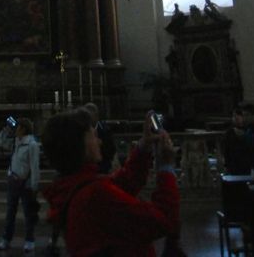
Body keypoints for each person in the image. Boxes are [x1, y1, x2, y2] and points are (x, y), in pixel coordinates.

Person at [42, 110, 180, 257]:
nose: (100, 141)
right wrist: (166, 168)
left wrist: (143, 147)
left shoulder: (72, 186)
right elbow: (163, 220)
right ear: (80, 144)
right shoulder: (95, 194)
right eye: (93, 136)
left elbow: (122, 184)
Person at [0, 116, 40, 252]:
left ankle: (30, 240)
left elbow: (34, 167)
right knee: (10, 212)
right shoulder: (16, 142)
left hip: (25, 183)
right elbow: (0, 143)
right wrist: (5, 130)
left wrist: (34, 186)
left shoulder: (32, 144)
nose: (16, 129)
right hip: (13, 181)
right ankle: (6, 239)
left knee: (28, 214)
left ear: (23, 129)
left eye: (17, 127)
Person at [223, 106, 251, 175]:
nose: (236, 118)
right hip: (233, 162)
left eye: (238, 115)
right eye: (234, 116)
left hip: (246, 162)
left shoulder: (248, 129)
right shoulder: (229, 132)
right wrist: (226, 164)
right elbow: (226, 149)